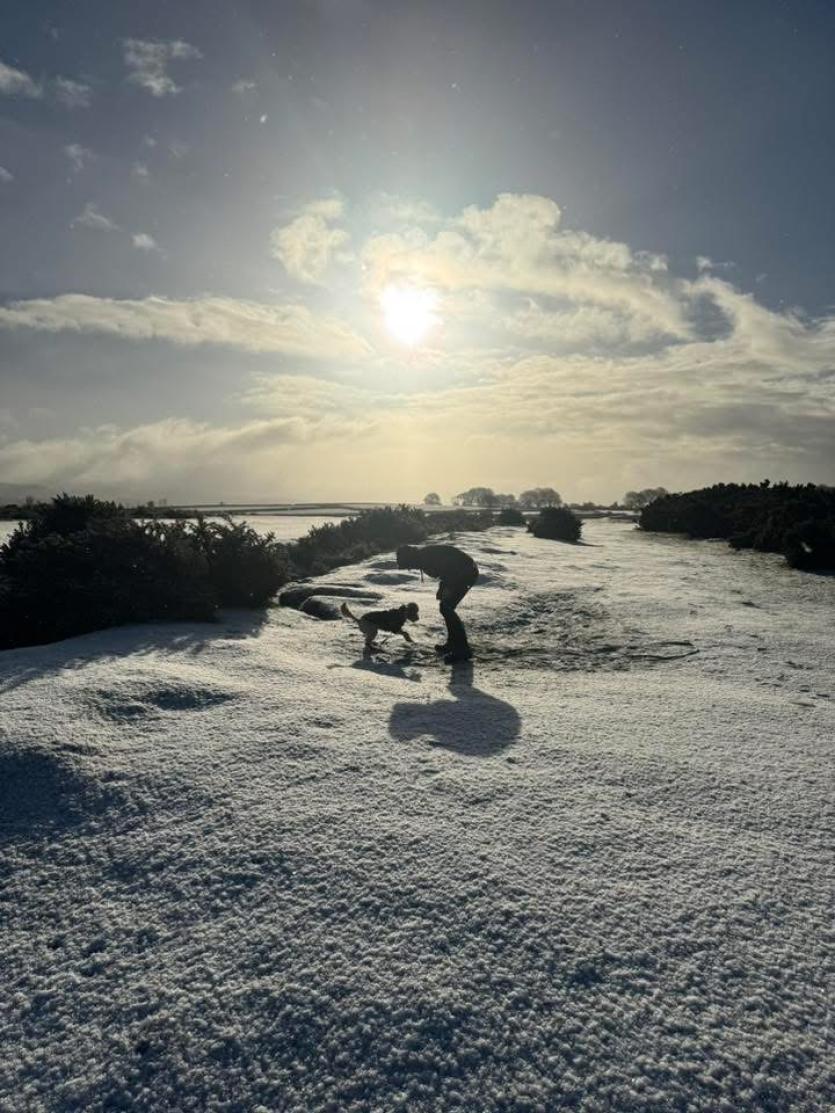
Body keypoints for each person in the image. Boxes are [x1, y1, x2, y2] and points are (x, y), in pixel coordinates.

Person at [396, 543, 479, 663]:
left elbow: (450, 569)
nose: (410, 568)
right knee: (446, 608)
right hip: (460, 573)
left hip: (466, 573)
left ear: (411, 558)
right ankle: (453, 643)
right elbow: (444, 572)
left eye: (408, 565)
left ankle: (463, 650)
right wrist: (443, 587)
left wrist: (446, 587)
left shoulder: (426, 557)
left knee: (446, 608)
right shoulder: (422, 557)